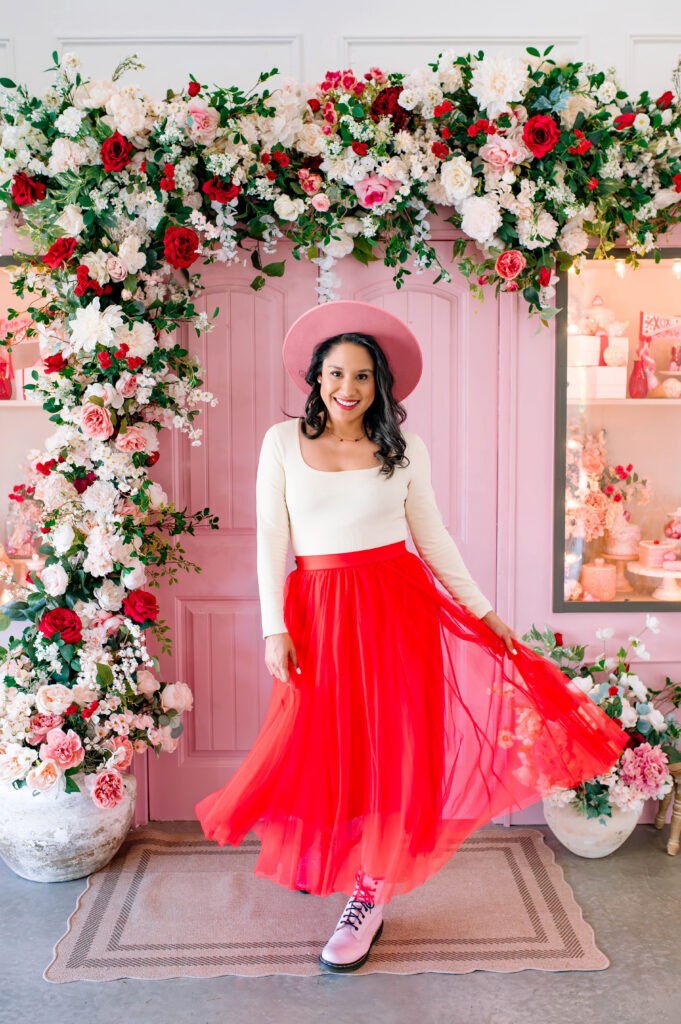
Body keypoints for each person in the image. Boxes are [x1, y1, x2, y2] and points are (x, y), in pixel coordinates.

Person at [195, 299, 630, 973]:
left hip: (397, 613)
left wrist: (484, 613)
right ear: (315, 378)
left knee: (393, 751)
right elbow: (271, 539)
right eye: (335, 373)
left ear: (380, 384)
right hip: (317, 615)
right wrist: (273, 627)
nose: (347, 388)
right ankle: (330, 857)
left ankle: (369, 894)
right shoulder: (280, 443)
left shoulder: (404, 450)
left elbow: (432, 537)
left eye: (362, 376)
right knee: (322, 746)